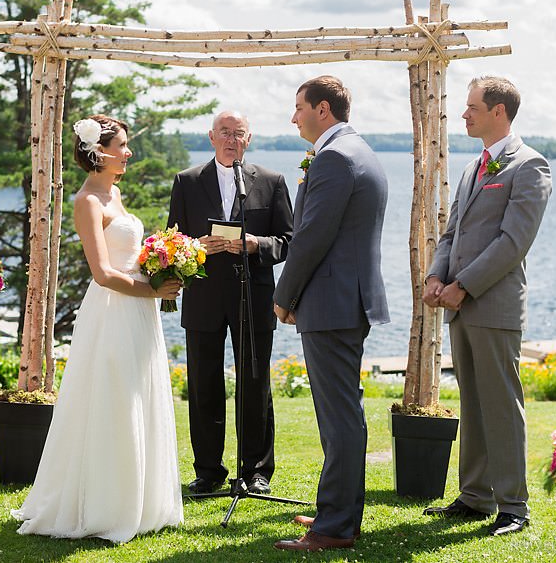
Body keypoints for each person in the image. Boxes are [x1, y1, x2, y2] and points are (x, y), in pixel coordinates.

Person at [11, 115, 183, 542]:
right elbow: (103, 273)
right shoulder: (87, 201)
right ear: (98, 151)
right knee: (112, 400)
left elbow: (127, 256)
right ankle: (106, 505)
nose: (128, 152)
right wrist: (153, 291)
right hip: (113, 310)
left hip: (138, 310)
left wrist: (159, 266)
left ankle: (143, 501)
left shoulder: (116, 192)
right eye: (121, 145)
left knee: (138, 395)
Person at [422, 76, 552, 537]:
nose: (464, 114)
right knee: (473, 404)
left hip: (492, 305)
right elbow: (452, 232)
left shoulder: (530, 166)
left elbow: (512, 243)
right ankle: (475, 496)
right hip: (458, 302)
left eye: (472, 107)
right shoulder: (471, 167)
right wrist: (437, 275)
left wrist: (463, 285)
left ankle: (514, 506)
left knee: (501, 405)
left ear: (499, 111)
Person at [271, 76, 389, 553]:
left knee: (339, 417)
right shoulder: (356, 150)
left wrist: (284, 296)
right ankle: (336, 508)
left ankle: (336, 526)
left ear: (323, 109)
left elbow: (311, 237)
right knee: (341, 412)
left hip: (333, 302)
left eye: (299, 107)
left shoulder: (336, 157)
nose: (293, 116)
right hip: (343, 300)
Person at [166, 110, 293, 496]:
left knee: (255, 384)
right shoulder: (186, 182)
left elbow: (289, 240)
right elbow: (172, 241)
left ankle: (256, 471)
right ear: (210, 136)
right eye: (225, 132)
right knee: (203, 386)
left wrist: (256, 244)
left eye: (239, 133)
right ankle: (208, 471)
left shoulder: (271, 182)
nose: (231, 139)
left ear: (248, 139)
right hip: (203, 297)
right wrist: (196, 247)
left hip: (252, 295)